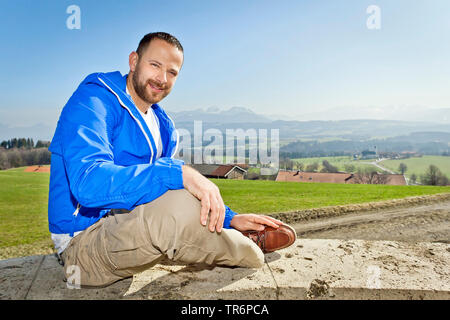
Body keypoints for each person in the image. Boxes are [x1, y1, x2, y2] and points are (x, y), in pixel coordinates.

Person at [48, 32, 296, 288]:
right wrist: (175, 172)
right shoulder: (92, 102)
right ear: (134, 61)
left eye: (172, 72)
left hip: (128, 224)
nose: (162, 79)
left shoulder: (163, 126)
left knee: (178, 196)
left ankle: (231, 229)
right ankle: (246, 248)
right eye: (154, 65)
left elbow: (165, 190)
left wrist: (229, 218)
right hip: (83, 244)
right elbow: (88, 184)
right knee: (173, 211)